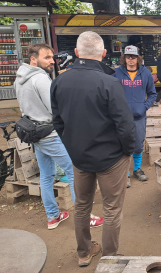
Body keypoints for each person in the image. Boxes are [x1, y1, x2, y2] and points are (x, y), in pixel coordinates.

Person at [51, 31, 135, 267]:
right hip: (111, 159)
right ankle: (109, 258)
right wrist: (127, 151)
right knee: (111, 209)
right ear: (104, 53)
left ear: (77, 53)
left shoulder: (59, 81)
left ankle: (83, 253)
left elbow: (58, 122)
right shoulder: (110, 83)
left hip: (79, 158)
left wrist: (72, 147)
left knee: (82, 206)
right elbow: (125, 125)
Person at [15, 43, 103, 230]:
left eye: (52, 57)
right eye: (46, 57)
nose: (51, 61)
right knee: (74, 173)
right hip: (51, 135)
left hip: (35, 135)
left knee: (47, 176)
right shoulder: (40, 79)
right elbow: (56, 109)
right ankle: (85, 218)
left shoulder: (20, 78)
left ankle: (53, 216)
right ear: (33, 59)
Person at [113, 45, 157, 188]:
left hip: (139, 117)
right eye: (127, 56)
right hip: (121, 117)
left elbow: (152, 94)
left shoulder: (146, 74)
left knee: (138, 144)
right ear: (124, 58)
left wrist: (143, 107)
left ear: (138, 59)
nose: (130, 59)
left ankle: (137, 169)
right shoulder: (116, 73)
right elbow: (109, 92)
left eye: (133, 57)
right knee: (122, 145)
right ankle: (125, 174)